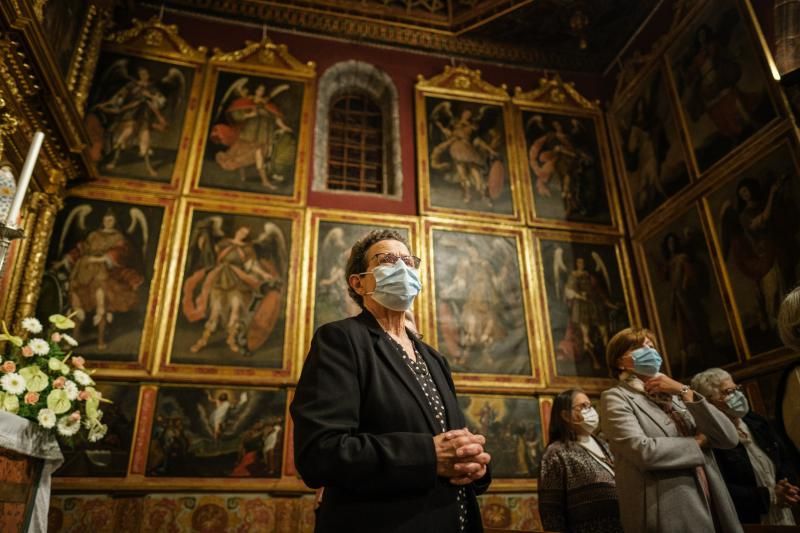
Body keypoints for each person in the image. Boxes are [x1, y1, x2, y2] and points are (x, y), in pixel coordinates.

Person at [291, 229, 491, 533]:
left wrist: (474, 464)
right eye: (386, 260)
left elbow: (449, 439)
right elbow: (320, 453)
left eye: (408, 261)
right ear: (358, 283)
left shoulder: (434, 358)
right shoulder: (342, 340)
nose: (401, 268)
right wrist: (428, 455)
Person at [600, 327, 743, 533]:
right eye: (639, 347)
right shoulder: (616, 397)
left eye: (651, 346)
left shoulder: (674, 395)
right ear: (620, 362)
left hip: (712, 495)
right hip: (670, 509)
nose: (649, 351)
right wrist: (697, 443)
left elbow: (728, 438)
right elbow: (642, 451)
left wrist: (683, 390)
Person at [691, 368, 799, 525]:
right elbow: (721, 490)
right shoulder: (710, 439)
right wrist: (770, 496)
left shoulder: (756, 422)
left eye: (736, 389)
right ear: (709, 403)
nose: (737, 395)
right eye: (728, 392)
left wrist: (788, 487)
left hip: (784, 512)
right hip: (750, 522)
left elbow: (784, 458)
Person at [538, 388, 622, 533]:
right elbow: (550, 509)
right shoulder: (556, 453)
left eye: (590, 405)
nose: (590, 411)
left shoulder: (605, 445)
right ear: (565, 415)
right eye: (583, 406)